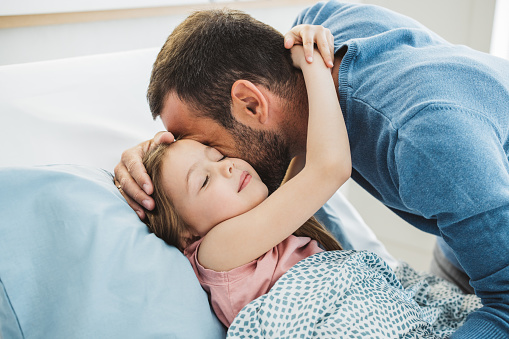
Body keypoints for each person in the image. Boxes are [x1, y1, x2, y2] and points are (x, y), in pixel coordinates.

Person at [114, 2, 509, 337]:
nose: (227, 167)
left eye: (209, 146)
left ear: (251, 104)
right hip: (475, 218)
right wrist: (156, 168)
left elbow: (504, 306)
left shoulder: (430, 143)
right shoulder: (317, 29)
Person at [143, 44, 350, 327]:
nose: (227, 166)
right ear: (185, 234)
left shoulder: (256, 234)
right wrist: (313, 64)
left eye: (218, 155)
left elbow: (305, 153)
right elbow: (329, 168)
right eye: (203, 180)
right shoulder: (215, 250)